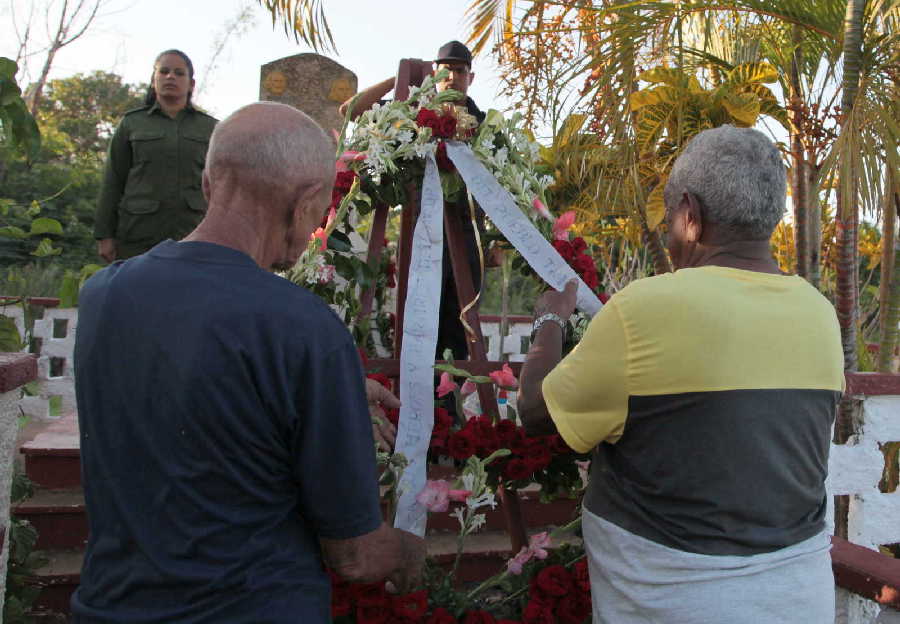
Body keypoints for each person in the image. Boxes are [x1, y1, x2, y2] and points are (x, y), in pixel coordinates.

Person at [72, 102, 425, 623]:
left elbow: (187, 399)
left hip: (109, 606)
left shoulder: (103, 295)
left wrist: (326, 393)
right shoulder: (302, 328)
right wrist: (410, 551)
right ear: (307, 200)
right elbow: (354, 556)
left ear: (208, 182)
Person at [518, 126, 844, 623]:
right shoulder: (819, 313)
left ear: (690, 216)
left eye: (670, 218)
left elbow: (536, 411)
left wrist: (548, 321)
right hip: (801, 597)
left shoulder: (645, 308)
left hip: (678, 604)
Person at [340, 41, 489, 360]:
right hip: (422, 234)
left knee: (461, 331)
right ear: (435, 74)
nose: (452, 77)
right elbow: (350, 111)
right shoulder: (412, 112)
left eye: (459, 71)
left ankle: (450, 406)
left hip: (465, 237)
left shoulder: (483, 123)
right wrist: (399, 81)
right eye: (445, 70)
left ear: (470, 77)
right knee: (420, 325)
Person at [94, 49, 217, 262]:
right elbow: (113, 181)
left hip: (192, 234)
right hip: (137, 235)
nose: (171, 77)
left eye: (179, 73)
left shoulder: (210, 128)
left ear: (191, 84)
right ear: (154, 80)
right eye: (164, 71)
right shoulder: (132, 124)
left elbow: (221, 186)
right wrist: (105, 235)